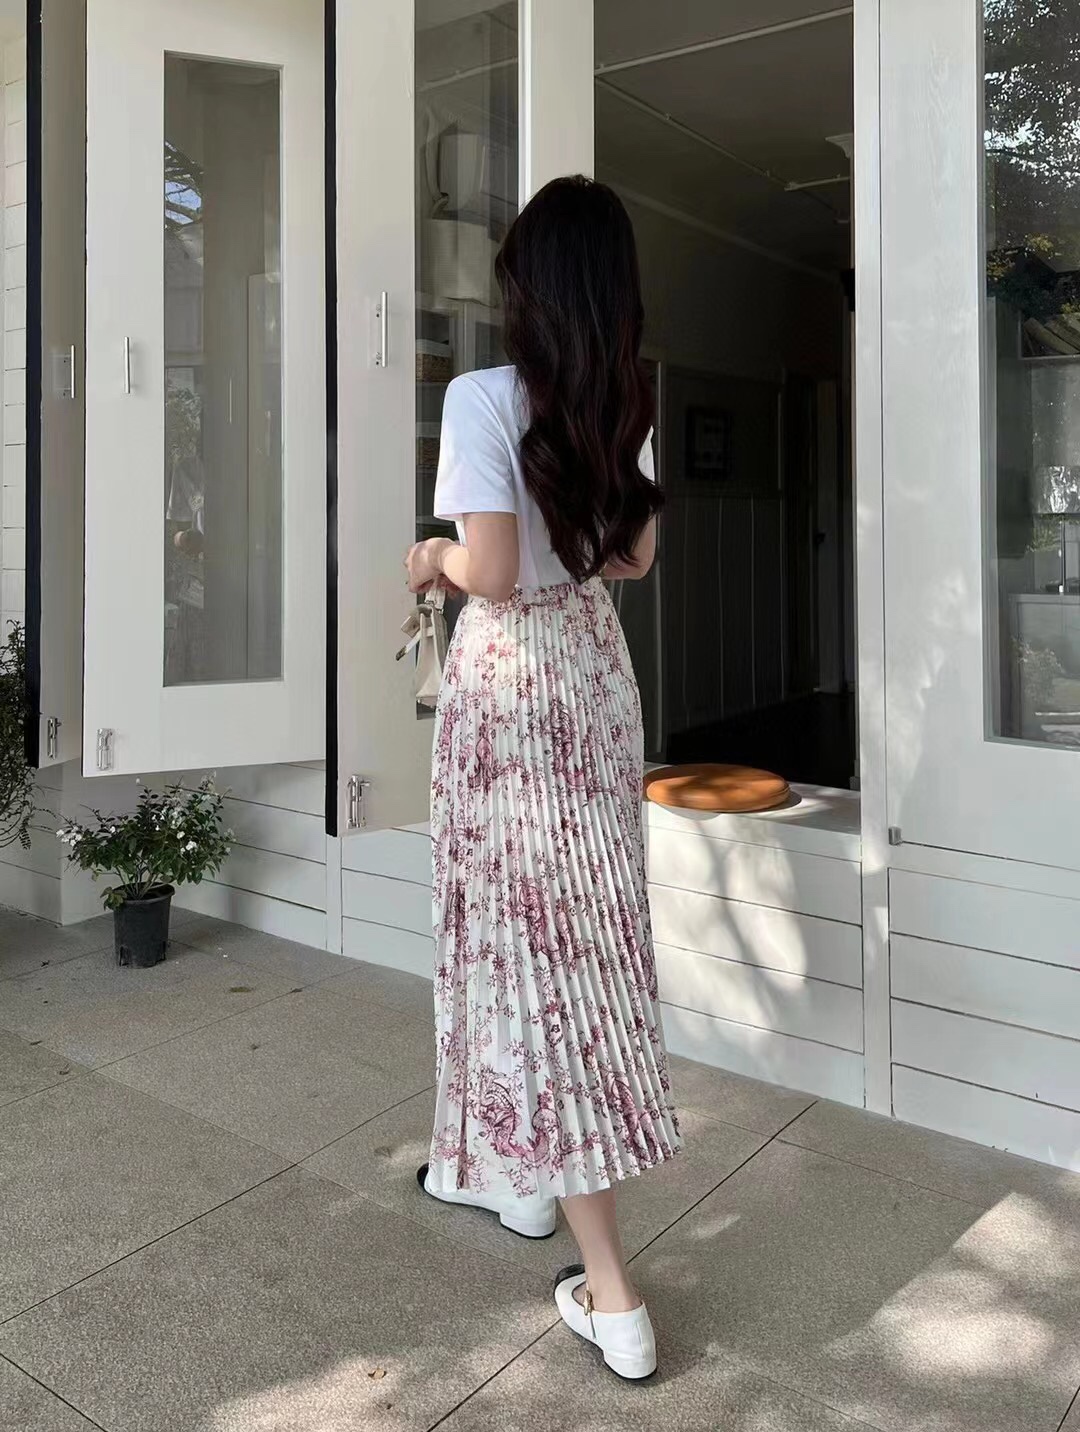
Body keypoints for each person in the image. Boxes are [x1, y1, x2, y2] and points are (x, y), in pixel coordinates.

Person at [404, 175, 681, 1382]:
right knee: (580, 941)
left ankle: (613, 1293)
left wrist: (431, 554)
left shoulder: (480, 397)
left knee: (523, 953)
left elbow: (497, 570)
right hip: (593, 678)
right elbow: (631, 559)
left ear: (532, 288)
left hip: (512, 686)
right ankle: (519, 1179)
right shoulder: (625, 397)